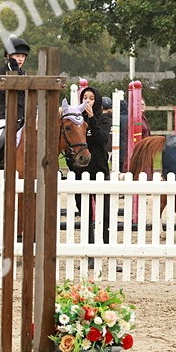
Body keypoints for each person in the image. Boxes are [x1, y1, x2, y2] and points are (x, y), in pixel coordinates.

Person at [74, 85, 114, 263]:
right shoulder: (77, 120)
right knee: (85, 214)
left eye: (91, 98)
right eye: (85, 98)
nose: (87, 101)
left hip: (99, 170)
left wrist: (91, 118)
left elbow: (101, 139)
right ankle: (89, 253)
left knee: (105, 214)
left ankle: (108, 250)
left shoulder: (104, 119)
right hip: (82, 172)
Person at [0, 35, 30, 169]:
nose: (20, 59)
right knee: (0, 139)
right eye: (17, 55)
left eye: (23, 56)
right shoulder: (1, 72)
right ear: (8, 56)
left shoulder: (24, 74)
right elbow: (7, 93)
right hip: (5, 114)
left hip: (23, 116)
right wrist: (14, 72)